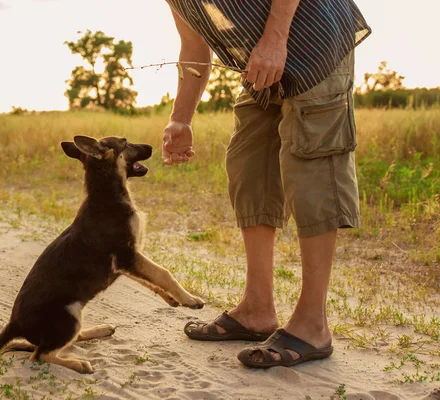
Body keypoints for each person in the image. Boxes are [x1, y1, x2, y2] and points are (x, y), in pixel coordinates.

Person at [161, 0, 371, 368]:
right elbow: (194, 46)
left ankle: (313, 325)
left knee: (313, 168)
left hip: (312, 41)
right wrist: (181, 118)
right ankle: (256, 309)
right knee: (248, 164)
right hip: (261, 63)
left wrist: (275, 40)